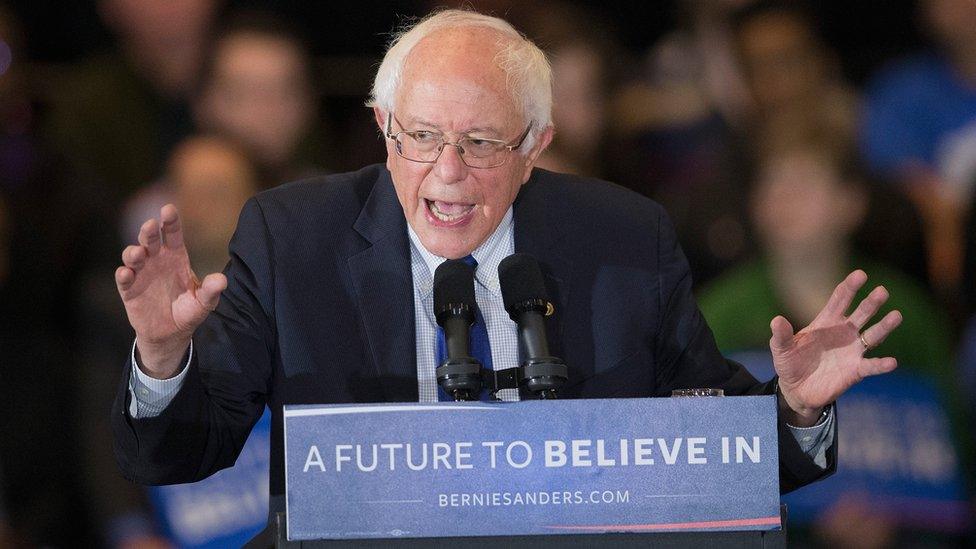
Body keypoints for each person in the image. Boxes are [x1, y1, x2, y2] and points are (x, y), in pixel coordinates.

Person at [111, 9, 902, 519]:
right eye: (421, 137)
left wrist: (794, 409)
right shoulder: (294, 239)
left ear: (535, 146)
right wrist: (162, 354)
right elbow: (181, 450)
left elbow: (706, 446)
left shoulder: (623, 241)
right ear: (385, 127)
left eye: (483, 143)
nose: (448, 172)